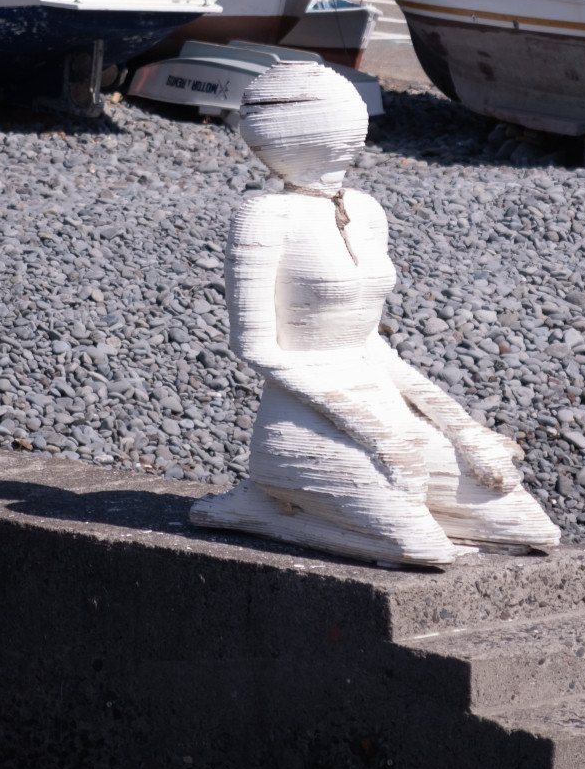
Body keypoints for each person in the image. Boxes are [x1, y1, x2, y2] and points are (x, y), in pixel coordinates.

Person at [191, 62, 560, 567]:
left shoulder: (364, 210)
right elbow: (255, 348)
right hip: (305, 417)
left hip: (379, 401)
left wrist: (461, 428)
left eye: (349, 119)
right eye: (334, 120)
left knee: (524, 522)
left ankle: (302, 499)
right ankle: (268, 501)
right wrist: (376, 434)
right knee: (422, 547)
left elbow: (369, 344)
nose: (349, 134)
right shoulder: (262, 216)